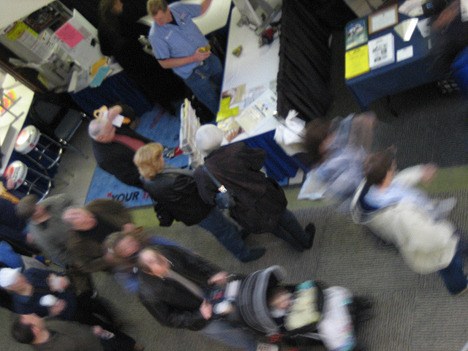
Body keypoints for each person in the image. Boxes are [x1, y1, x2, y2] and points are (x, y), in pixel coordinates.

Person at [351, 148, 467, 295]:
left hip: (417, 227)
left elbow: (397, 183)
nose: (395, 169)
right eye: (393, 168)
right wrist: (449, 235)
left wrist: (419, 173)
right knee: (449, 263)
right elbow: (427, 238)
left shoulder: (370, 186)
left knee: (452, 255)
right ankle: (459, 287)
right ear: (386, 175)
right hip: (435, 239)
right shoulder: (403, 216)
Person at [133, 142, 265, 262]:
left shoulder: (146, 178)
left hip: (188, 211)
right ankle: (243, 254)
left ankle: (237, 234)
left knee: (223, 225)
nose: (164, 157)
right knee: (223, 231)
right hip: (200, 211)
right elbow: (198, 189)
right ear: (154, 163)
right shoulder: (173, 182)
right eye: (159, 157)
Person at [194, 125, 315, 252]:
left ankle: (294, 244)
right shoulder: (236, 149)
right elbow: (260, 159)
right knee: (285, 217)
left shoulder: (202, 172)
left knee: (272, 228)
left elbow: (209, 198)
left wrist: (223, 189)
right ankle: (304, 240)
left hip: (242, 209)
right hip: (264, 194)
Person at [137, 245, 258, 351]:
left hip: (208, 288)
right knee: (229, 333)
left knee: (237, 307)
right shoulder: (148, 294)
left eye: (162, 257)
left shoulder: (166, 251)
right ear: (149, 272)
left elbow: (194, 261)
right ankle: (253, 345)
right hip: (198, 315)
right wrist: (200, 315)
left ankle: (252, 327)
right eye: (160, 264)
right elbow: (168, 319)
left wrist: (213, 273)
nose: (166, 262)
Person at [98, 0, 186, 115]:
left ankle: (168, 107)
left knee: (149, 85)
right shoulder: (122, 19)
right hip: (139, 57)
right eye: (119, 2)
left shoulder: (102, 27)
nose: (122, 4)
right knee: (162, 75)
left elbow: (105, 51)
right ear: (113, 6)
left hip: (128, 65)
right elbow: (139, 30)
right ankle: (180, 95)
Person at [147, 0, 223, 116]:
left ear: (168, 9)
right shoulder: (155, 36)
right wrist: (193, 58)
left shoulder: (179, 8)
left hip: (209, 58)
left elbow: (201, 9)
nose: (158, 23)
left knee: (226, 84)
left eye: (161, 18)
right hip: (193, 74)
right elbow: (164, 63)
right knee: (214, 103)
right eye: (155, 19)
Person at [89, 104, 181, 188]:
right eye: (111, 130)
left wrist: (118, 109)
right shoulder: (104, 158)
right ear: (101, 138)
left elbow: (131, 115)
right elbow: (128, 177)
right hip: (150, 170)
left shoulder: (108, 126)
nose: (115, 128)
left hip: (151, 149)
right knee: (174, 183)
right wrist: (152, 174)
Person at [300, 112, 376, 206]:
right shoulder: (328, 168)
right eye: (328, 137)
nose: (334, 136)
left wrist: (360, 121)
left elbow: (345, 128)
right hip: (360, 193)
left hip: (362, 176)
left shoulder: (331, 148)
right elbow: (352, 182)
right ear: (321, 147)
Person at [0, 267, 117, 325]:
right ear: (9, 288)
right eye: (15, 280)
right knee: (92, 322)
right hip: (69, 313)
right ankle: (113, 331)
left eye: (17, 274)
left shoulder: (31, 273)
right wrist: (52, 313)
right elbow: (38, 322)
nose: (21, 278)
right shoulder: (21, 306)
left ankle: (114, 320)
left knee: (99, 306)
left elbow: (54, 273)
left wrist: (61, 278)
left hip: (73, 294)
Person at [63, 199, 135, 274]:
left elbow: (120, 206)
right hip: (118, 262)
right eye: (85, 223)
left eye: (89, 215)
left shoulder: (97, 205)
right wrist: (106, 259)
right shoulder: (76, 244)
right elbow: (86, 266)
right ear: (75, 228)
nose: (91, 220)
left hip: (132, 237)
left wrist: (127, 222)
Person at [11, 313, 141, 351]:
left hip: (97, 336)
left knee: (123, 343)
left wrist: (91, 331)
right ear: (35, 329)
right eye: (32, 317)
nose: (34, 314)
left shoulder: (45, 322)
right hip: (100, 348)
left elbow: (70, 326)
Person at [103, 229, 178, 293]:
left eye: (131, 242)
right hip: (162, 286)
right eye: (124, 249)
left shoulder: (151, 241)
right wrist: (150, 277)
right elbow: (133, 287)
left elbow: (176, 248)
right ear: (119, 255)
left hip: (175, 266)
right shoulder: (122, 269)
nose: (131, 247)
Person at [16, 194, 73, 268]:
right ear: (32, 216)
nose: (40, 207)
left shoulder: (47, 203)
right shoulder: (39, 234)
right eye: (36, 210)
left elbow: (67, 199)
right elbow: (58, 253)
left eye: (36, 204)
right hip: (75, 247)